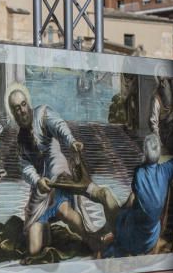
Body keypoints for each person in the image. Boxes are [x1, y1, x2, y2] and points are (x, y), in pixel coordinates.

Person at [8, 86, 119, 257]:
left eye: (23, 104)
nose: (22, 110)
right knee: (34, 250)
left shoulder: (43, 114)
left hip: (59, 177)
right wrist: (37, 181)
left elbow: (60, 127)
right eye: (17, 108)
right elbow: (25, 166)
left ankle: (92, 241)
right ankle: (46, 230)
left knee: (66, 211)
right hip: (42, 190)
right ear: (13, 113)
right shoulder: (20, 140)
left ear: (28, 104)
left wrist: (72, 142)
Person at [108, 134, 173, 256]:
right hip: (151, 238)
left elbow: (135, 192)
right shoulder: (166, 170)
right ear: (158, 153)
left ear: (145, 152)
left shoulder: (139, 172)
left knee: (122, 213)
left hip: (133, 240)